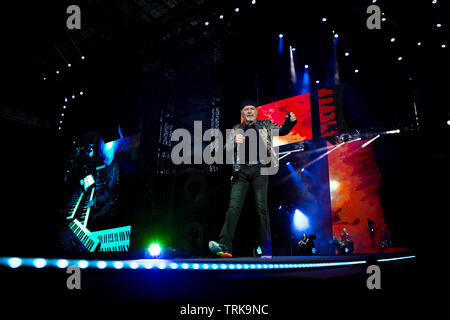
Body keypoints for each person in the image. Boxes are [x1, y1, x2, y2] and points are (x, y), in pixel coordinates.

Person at [209, 100, 297, 258]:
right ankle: (224, 246)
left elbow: (282, 130)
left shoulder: (265, 125)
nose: (249, 111)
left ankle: (266, 249)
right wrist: (232, 143)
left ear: (256, 112)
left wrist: (290, 122)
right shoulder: (236, 129)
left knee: (261, 209)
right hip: (240, 172)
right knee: (233, 208)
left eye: (252, 109)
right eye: (246, 109)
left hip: (260, 170)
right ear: (242, 113)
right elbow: (224, 150)